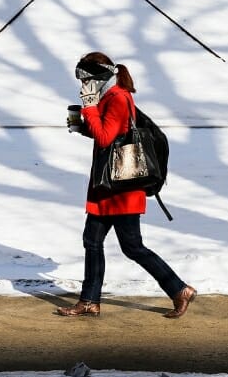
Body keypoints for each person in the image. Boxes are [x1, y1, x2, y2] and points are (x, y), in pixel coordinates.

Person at [56, 51, 196, 319]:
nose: (84, 87)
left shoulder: (118, 98)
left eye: (85, 81)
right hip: (108, 188)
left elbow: (107, 138)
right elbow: (110, 133)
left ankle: (179, 289)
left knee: (132, 247)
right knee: (92, 241)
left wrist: (87, 108)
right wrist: (83, 126)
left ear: (98, 79)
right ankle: (89, 301)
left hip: (121, 190)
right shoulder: (109, 97)